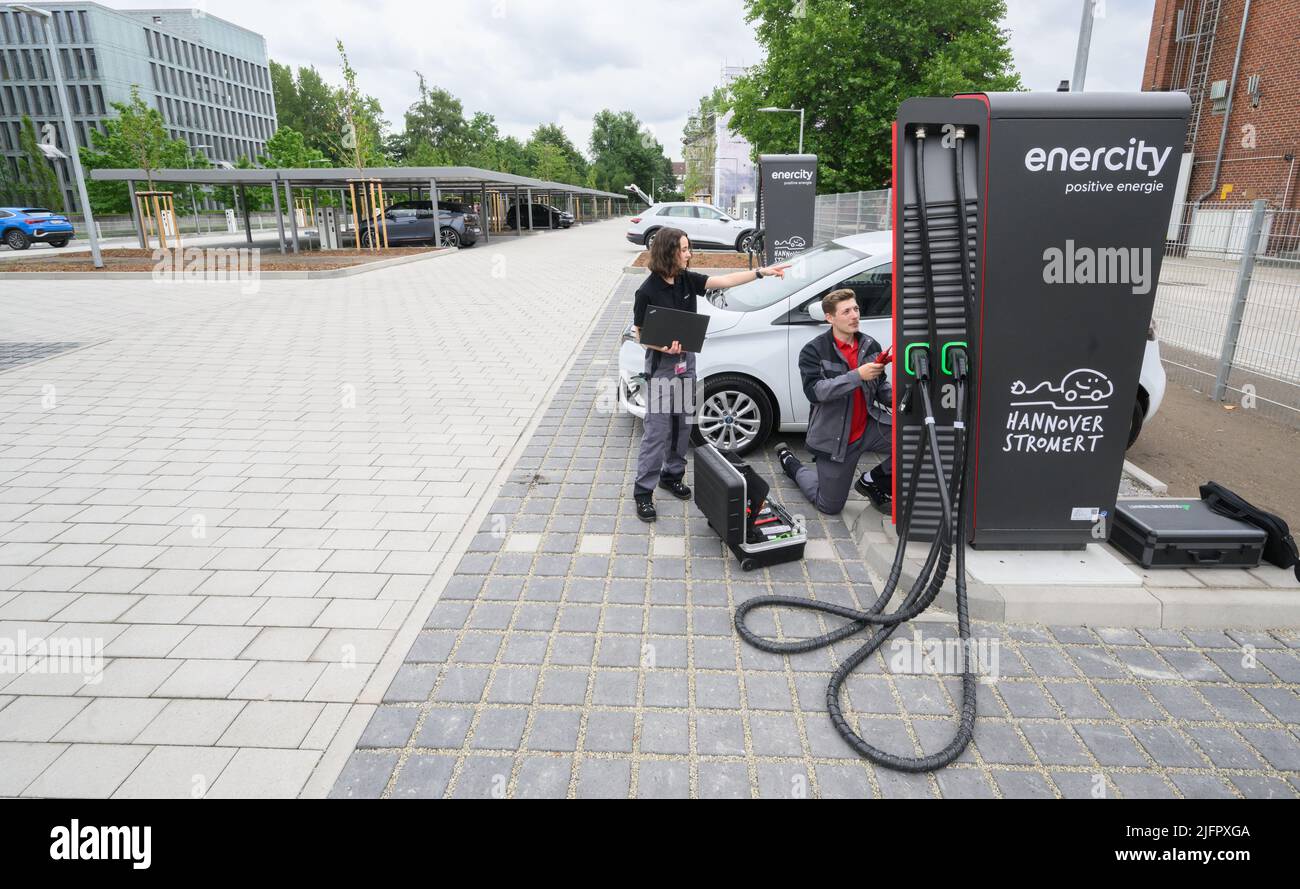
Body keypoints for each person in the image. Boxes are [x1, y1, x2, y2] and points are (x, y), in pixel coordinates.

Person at [631, 228, 789, 522]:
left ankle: (672, 476)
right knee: (657, 432)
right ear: (669, 252)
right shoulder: (647, 291)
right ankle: (643, 492)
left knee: (681, 426)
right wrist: (663, 345)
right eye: (685, 249)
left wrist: (760, 273)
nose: (689, 254)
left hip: (685, 363)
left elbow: (725, 280)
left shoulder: (686, 279)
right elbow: (640, 334)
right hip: (662, 369)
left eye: (688, 248)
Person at [776, 288, 893, 515]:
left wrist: (899, 399)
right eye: (846, 311)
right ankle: (792, 464)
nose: (854, 315)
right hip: (837, 438)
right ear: (830, 318)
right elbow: (816, 392)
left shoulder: (870, 345)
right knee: (829, 506)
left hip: (869, 426)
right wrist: (857, 375)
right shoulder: (813, 351)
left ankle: (872, 481)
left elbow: (880, 387)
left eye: (856, 309)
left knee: (918, 440)